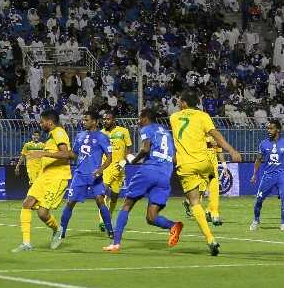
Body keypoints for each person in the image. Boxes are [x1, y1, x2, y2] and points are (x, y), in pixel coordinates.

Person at [169, 89, 242, 256]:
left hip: (185, 165)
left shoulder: (173, 118)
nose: (179, 103)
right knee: (212, 176)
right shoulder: (203, 116)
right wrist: (231, 150)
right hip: (204, 162)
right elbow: (216, 135)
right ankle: (213, 210)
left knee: (195, 202)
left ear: (184, 103)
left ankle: (210, 239)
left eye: (180, 101)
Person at [103, 109, 183, 252]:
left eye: (139, 118)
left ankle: (115, 243)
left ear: (145, 118)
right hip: (165, 174)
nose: (138, 121)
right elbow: (174, 156)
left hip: (150, 170)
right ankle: (173, 226)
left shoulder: (147, 128)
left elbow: (145, 149)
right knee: (151, 217)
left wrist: (134, 160)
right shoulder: (166, 131)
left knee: (127, 204)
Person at [12, 110, 74, 253]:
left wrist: (43, 153)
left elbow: (66, 154)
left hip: (57, 178)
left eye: (42, 121)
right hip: (44, 177)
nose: (41, 124)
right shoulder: (52, 136)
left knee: (42, 213)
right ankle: (26, 243)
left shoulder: (59, 132)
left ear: (49, 122)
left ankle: (57, 229)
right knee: (26, 204)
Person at [55, 111, 114, 249]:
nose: (83, 122)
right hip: (80, 175)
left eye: (86, 119)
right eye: (83, 119)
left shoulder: (102, 137)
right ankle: (62, 231)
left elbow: (110, 157)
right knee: (70, 203)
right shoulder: (80, 136)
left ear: (94, 122)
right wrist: (59, 155)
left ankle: (110, 230)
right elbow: (74, 154)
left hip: (95, 175)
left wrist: (100, 170)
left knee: (100, 201)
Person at [99, 111, 132, 232]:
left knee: (114, 197)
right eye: (104, 119)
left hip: (119, 168)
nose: (105, 121)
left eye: (108, 119)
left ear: (113, 120)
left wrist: (124, 161)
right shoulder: (101, 133)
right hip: (106, 166)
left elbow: (128, 147)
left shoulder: (123, 131)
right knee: (101, 194)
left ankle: (109, 215)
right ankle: (102, 221)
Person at [250, 119, 284, 231]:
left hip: (282, 174)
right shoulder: (263, 143)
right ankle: (256, 219)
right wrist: (255, 174)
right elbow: (258, 159)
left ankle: (283, 223)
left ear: (278, 129)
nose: (268, 130)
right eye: (267, 128)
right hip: (268, 175)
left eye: (271, 128)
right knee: (259, 199)